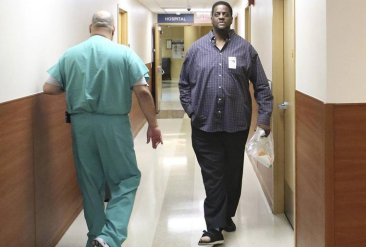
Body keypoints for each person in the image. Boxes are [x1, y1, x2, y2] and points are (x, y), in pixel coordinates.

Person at [43, 11, 162, 247]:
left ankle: (96, 237)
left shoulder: (71, 54)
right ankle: (108, 238)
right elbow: (143, 92)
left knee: (90, 183)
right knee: (126, 179)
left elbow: (49, 88)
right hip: (113, 123)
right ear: (113, 30)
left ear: (90, 27)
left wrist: (74, 86)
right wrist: (153, 124)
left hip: (80, 124)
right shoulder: (125, 53)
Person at [179, 1, 273, 245]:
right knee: (213, 176)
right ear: (211, 18)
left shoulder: (245, 50)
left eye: (225, 14)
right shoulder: (196, 49)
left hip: (235, 125)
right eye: (217, 14)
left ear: (231, 19)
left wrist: (264, 119)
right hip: (204, 126)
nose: (221, 17)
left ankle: (226, 215)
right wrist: (191, 111)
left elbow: (262, 85)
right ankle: (213, 228)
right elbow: (184, 85)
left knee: (233, 174)